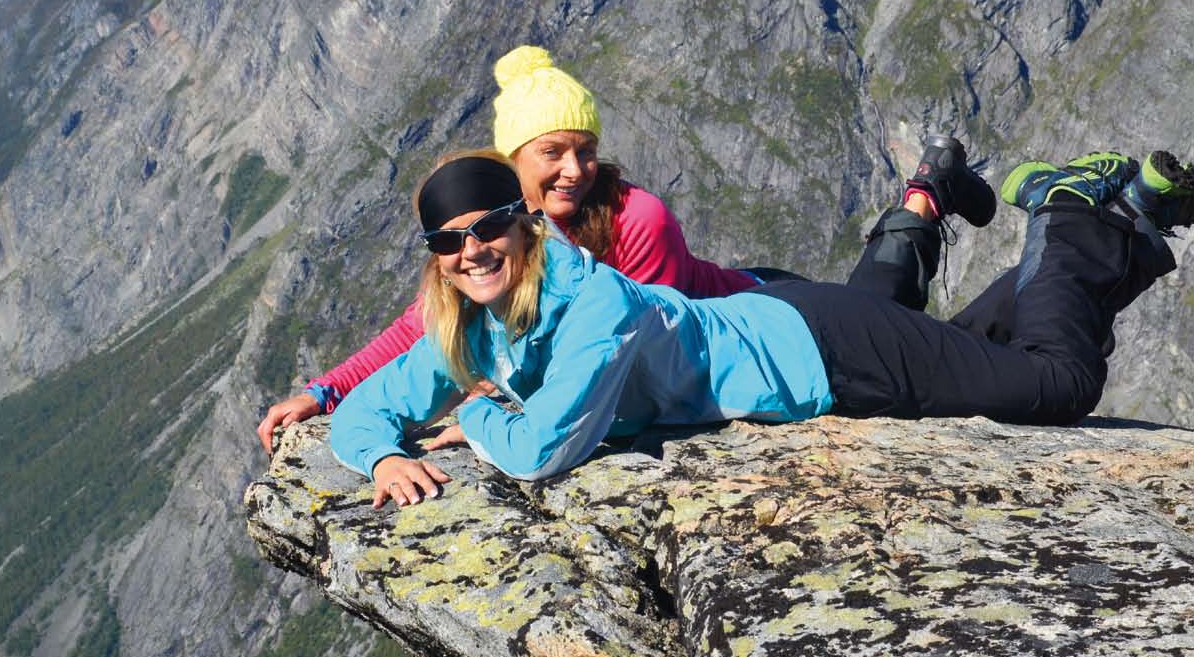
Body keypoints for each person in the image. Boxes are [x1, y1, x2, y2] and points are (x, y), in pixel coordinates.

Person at [327, 148, 1190, 509]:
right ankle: (1094, 215)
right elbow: (366, 408)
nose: (471, 251)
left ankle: (1075, 213)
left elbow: (541, 447)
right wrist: (385, 451)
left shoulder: (596, 305)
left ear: (525, 226)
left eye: (488, 229)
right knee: (973, 354)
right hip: (794, 324)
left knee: (1052, 385)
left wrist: (472, 415)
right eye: (448, 240)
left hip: (823, 354)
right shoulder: (469, 326)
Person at [260, 45, 829, 454]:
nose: (575, 171)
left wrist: (504, 416)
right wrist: (326, 391)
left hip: (764, 308)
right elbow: (423, 329)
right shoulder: (491, 236)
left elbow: (652, 362)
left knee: (883, 299)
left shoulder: (639, 219)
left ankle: (918, 211)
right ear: (515, 160)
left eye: (586, 151)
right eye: (552, 152)